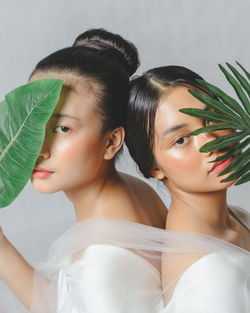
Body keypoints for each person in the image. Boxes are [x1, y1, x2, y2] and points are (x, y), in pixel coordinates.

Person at [0, 29, 167, 313]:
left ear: (112, 141)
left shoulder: (104, 263)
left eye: (62, 128)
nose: (39, 147)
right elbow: (64, 302)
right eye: (32, 123)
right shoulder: (131, 190)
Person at [125, 65, 250, 312]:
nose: (211, 142)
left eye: (212, 119)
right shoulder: (211, 274)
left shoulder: (237, 219)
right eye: (181, 140)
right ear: (154, 167)